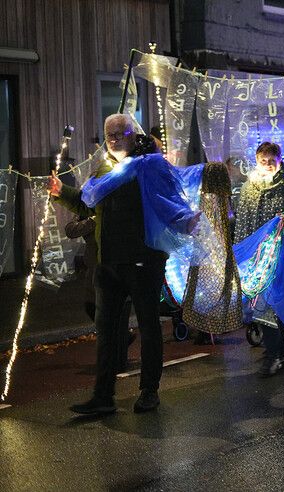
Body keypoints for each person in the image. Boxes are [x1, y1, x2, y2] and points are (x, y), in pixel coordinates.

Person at [50, 113, 197, 415]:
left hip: (143, 261)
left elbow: (171, 201)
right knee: (106, 331)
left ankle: (149, 390)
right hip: (109, 264)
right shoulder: (105, 168)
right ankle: (103, 396)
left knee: (148, 325)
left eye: (120, 133)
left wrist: (185, 220)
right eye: (109, 134)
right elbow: (87, 203)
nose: (113, 139)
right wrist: (61, 193)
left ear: (133, 134)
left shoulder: (149, 165)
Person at [235, 142, 284, 376]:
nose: (267, 165)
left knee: (268, 305)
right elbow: (242, 223)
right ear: (256, 160)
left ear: (279, 161)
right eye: (263, 160)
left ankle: (274, 356)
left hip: (278, 256)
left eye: (271, 160)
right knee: (259, 306)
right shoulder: (248, 188)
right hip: (253, 258)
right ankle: (279, 355)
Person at [65, 215, 134, 372]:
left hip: (114, 268)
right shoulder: (88, 209)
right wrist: (91, 222)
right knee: (90, 306)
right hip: (94, 268)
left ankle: (117, 361)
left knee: (116, 314)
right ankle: (119, 345)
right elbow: (70, 229)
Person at [183, 162, 242, 343]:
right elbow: (227, 222)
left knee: (201, 288)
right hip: (218, 251)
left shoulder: (200, 198)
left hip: (201, 251)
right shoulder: (222, 199)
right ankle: (214, 327)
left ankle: (202, 330)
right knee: (219, 287)